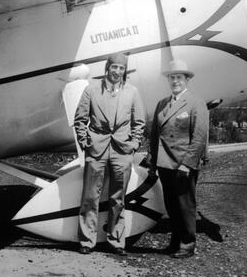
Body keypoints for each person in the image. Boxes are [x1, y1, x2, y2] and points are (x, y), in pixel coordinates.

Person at [74, 52, 145, 255]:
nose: (117, 72)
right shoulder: (91, 90)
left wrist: (134, 144)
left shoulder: (132, 92)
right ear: (107, 68)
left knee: (118, 198)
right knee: (90, 196)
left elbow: (139, 122)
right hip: (96, 149)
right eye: (114, 67)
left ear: (125, 71)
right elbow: (80, 120)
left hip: (122, 151)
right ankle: (87, 241)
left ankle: (116, 241)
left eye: (121, 68)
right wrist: (85, 140)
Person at [147, 59, 209, 258]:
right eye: (172, 78)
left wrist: (188, 164)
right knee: (171, 205)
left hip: (183, 164)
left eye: (179, 78)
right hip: (165, 163)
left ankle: (188, 243)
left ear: (187, 80)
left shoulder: (196, 102)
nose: (175, 81)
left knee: (185, 205)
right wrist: (152, 162)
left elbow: (199, 137)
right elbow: (155, 136)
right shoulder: (162, 104)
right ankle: (175, 242)